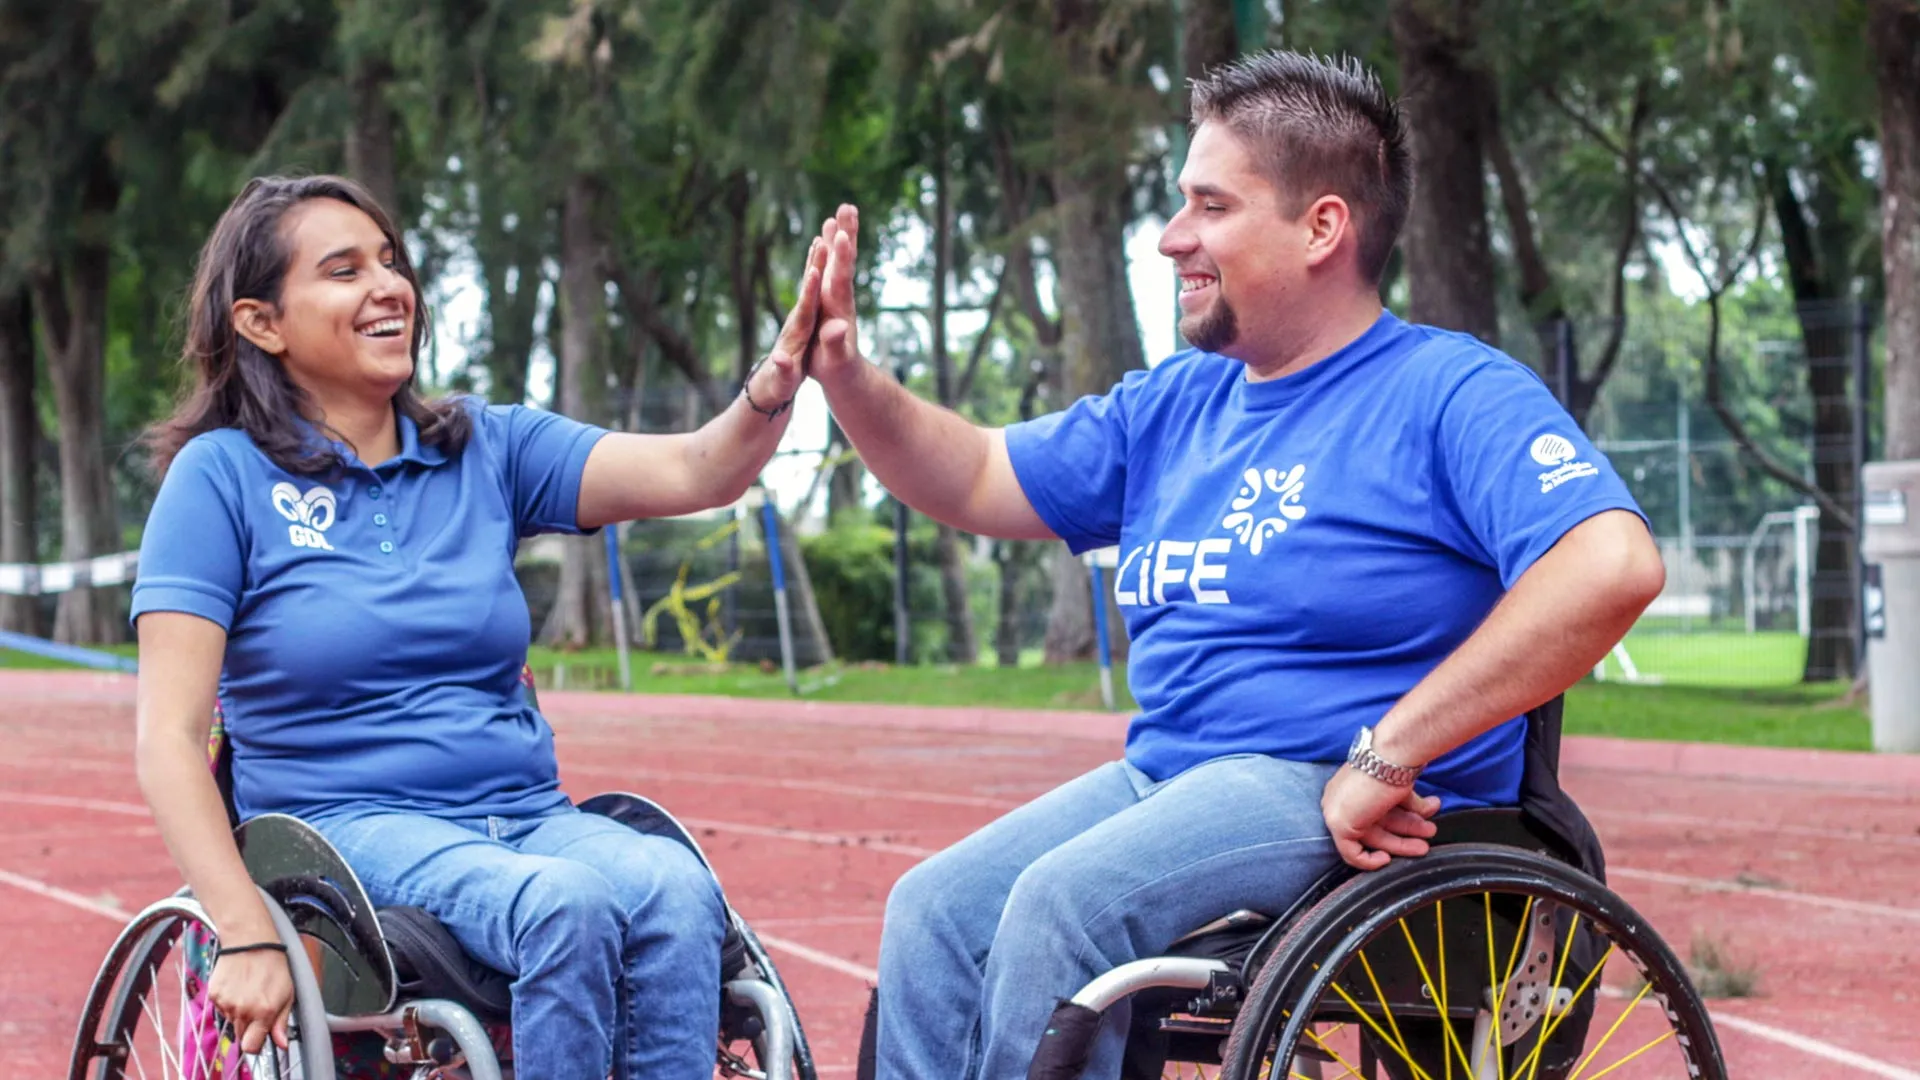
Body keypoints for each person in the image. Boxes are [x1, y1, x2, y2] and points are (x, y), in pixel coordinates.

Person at [803, 50, 1666, 1080]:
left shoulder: (1449, 393)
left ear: (1322, 228)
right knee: (935, 911)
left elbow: (1612, 564)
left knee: (1064, 905)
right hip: (1169, 778)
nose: (1173, 239)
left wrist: (1385, 756)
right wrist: (848, 377)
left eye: (1209, 206)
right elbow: (980, 472)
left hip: (1333, 782)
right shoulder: (1176, 404)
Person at [129, 174, 826, 1079]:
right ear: (262, 323)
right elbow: (168, 738)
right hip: (348, 828)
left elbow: (699, 471)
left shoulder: (483, 447)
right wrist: (246, 930)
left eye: (390, 262)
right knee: (564, 907)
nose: (388, 287)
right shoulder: (219, 479)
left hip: (524, 815)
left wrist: (773, 387)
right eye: (343, 271)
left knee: (674, 887)